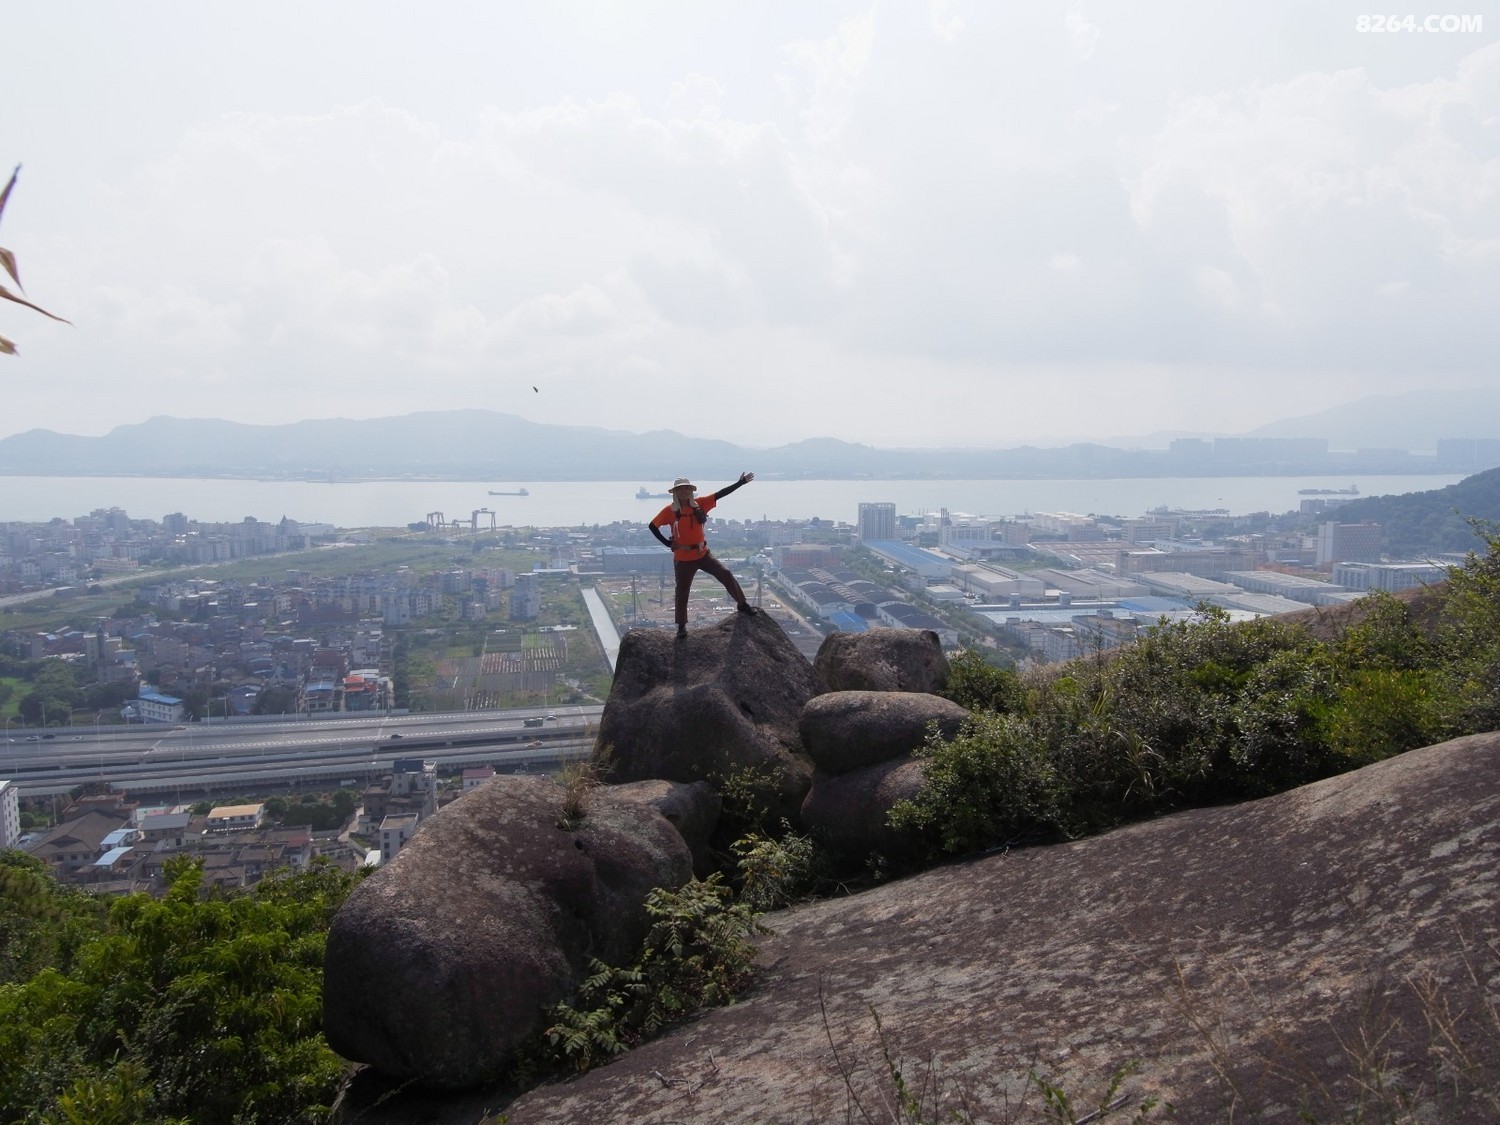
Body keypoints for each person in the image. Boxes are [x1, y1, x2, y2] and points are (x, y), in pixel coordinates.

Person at [649, 472, 756, 639]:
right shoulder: (670, 511)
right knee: (682, 591)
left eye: (687, 489)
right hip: (683, 558)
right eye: (680, 489)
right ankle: (681, 626)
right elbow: (652, 526)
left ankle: (742, 604)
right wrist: (667, 543)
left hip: (703, 553)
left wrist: (740, 482)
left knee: (725, 573)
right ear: (675, 492)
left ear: (691, 491)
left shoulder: (700, 504)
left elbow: (721, 494)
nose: (684, 492)